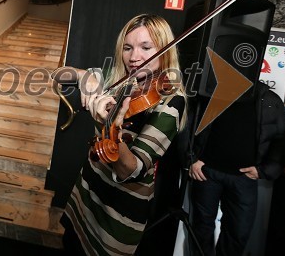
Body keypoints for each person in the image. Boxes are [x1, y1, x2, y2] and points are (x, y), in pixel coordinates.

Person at [52, 14, 188, 255]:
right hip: (85, 196)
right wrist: (86, 77)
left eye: (146, 47)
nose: (134, 57)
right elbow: (59, 74)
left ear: (165, 50)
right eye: (128, 48)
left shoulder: (171, 101)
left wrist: (110, 127)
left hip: (117, 214)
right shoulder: (119, 79)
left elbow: (130, 169)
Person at [189, 82, 285, 256]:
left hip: (244, 179)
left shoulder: (269, 99)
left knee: (238, 232)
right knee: (201, 228)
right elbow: (189, 123)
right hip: (207, 173)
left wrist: (264, 170)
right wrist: (191, 159)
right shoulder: (213, 91)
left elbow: (281, 139)